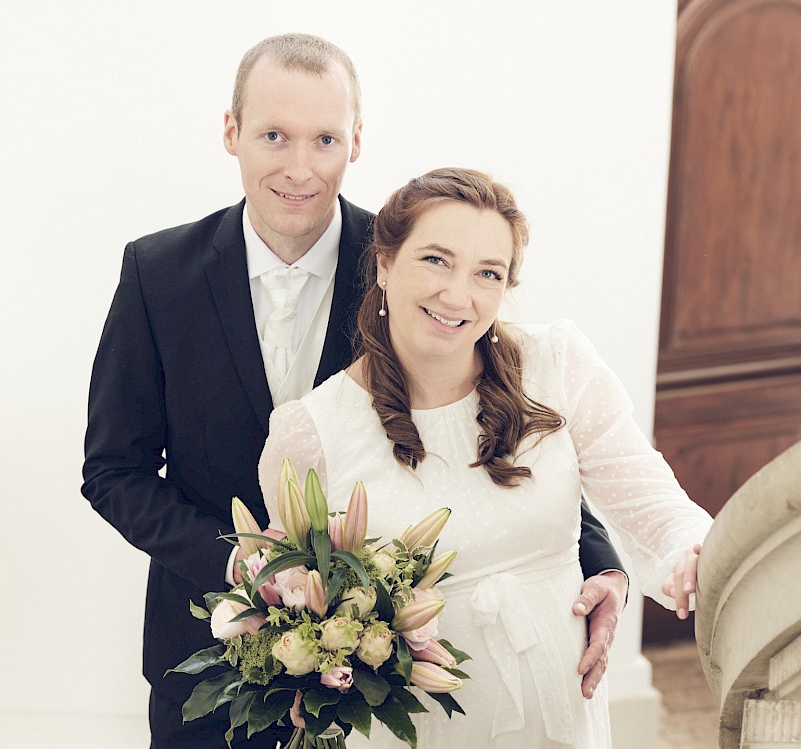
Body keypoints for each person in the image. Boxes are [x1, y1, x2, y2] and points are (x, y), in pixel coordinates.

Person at [82, 35, 629, 749]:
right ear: (231, 132)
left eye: (325, 139)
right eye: (274, 135)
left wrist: (602, 559)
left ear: (357, 141)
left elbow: (504, 418)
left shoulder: (414, 263)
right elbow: (113, 471)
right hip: (207, 657)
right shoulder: (157, 273)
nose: (300, 168)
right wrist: (241, 562)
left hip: (390, 672)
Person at [257, 168, 714, 747]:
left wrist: (693, 551)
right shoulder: (311, 432)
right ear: (384, 264)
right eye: (435, 260)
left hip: (559, 714)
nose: (458, 295)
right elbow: (294, 602)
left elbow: (651, 499)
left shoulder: (558, 364)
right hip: (414, 729)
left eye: (487, 273)